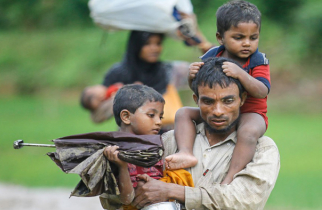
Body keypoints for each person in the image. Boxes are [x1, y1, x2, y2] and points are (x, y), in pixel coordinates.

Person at [131, 57, 280, 210]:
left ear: (242, 99)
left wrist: (172, 190)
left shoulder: (263, 149)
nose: (218, 111)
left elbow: (242, 201)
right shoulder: (171, 140)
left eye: (228, 101)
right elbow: (133, 188)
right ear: (196, 100)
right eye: (208, 102)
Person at [165, 0, 271, 185]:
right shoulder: (212, 56)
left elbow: (262, 91)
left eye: (253, 38)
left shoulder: (257, 60)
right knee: (183, 113)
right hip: (216, 108)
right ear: (220, 37)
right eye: (238, 38)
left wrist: (241, 74)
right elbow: (201, 90)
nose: (247, 43)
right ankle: (185, 152)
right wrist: (192, 77)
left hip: (251, 113)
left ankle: (230, 177)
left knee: (248, 133)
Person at [100, 84, 194, 210]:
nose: (159, 122)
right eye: (151, 115)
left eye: (160, 117)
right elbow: (127, 199)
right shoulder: (115, 153)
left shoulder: (157, 144)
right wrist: (122, 167)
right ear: (126, 117)